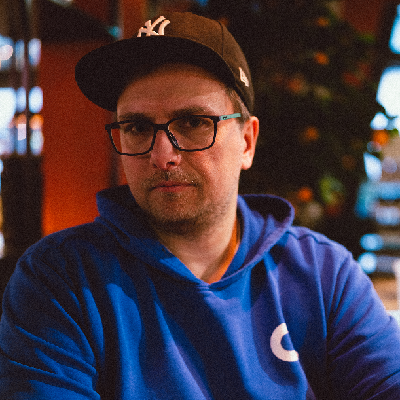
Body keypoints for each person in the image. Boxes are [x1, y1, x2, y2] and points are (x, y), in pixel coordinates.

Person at [0, 11, 400, 400]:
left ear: (247, 142)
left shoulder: (322, 274)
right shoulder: (60, 280)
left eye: (193, 122)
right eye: (137, 127)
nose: (162, 155)